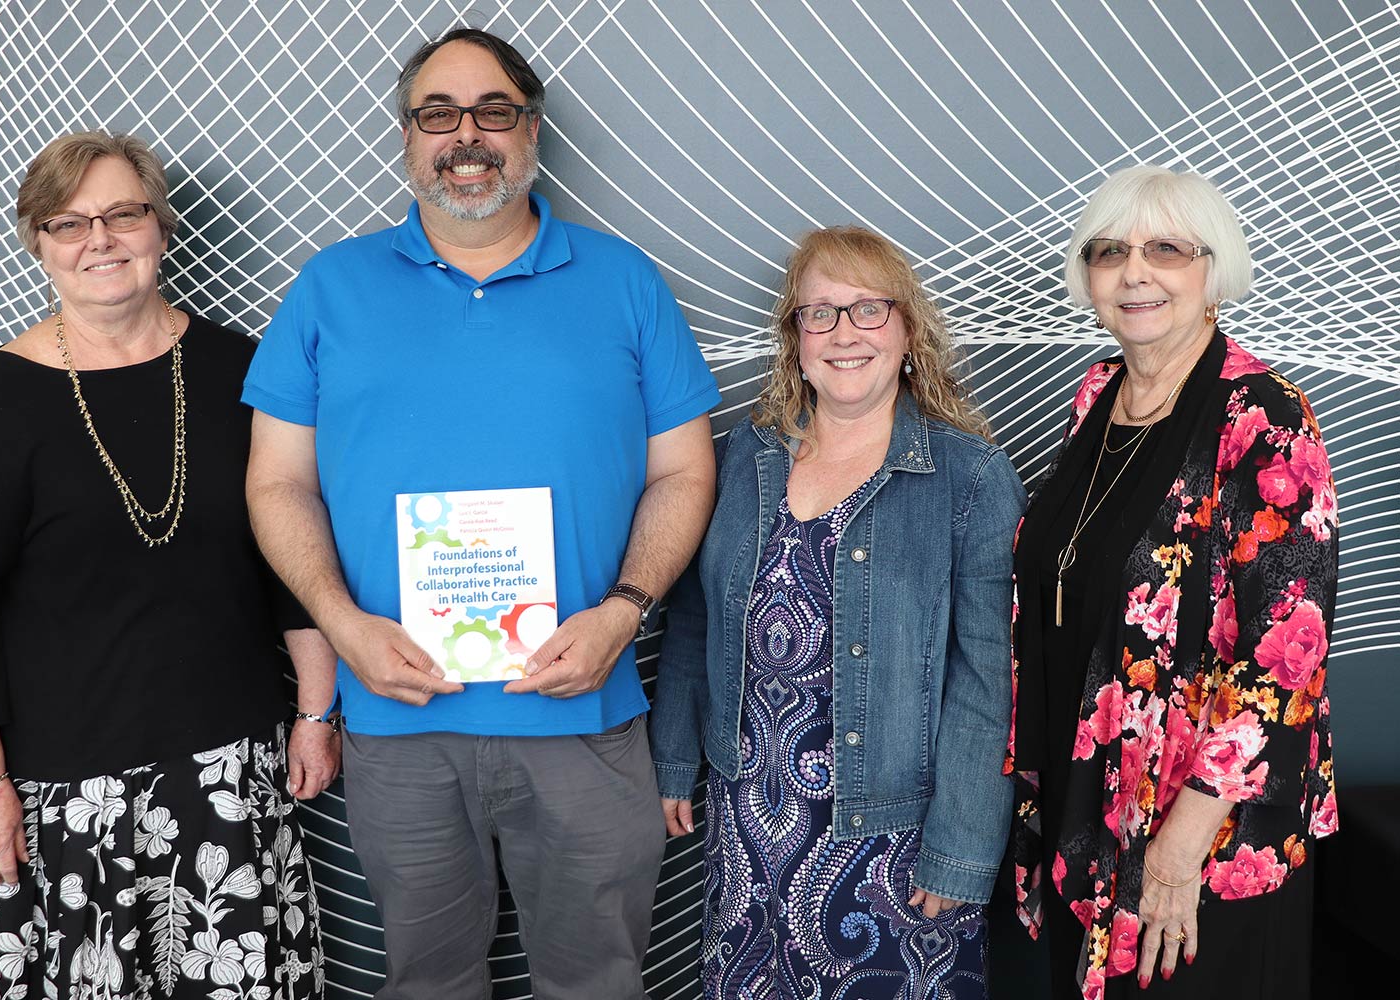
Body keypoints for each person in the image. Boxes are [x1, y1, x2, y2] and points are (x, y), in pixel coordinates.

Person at [241, 27, 721, 1000]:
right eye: (439, 114)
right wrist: (345, 631)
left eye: (493, 111)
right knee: (427, 983)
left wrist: (622, 611)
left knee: (597, 983)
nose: (468, 135)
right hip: (400, 717)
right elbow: (275, 484)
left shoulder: (624, 280)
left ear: (532, 129)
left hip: (584, 713)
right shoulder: (330, 288)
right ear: (407, 136)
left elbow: (685, 472)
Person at [0, 131, 335, 1000]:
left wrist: (319, 711)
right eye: (68, 223)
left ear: (160, 227)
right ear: (39, 243)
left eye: (122, 214)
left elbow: (293, 559)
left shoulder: (240, 373)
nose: (98, 239)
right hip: (64, 803)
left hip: (229, 781)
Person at [650, 226, 1026, 998]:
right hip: (749, 820)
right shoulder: (745, 456)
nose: (843, 333)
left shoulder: (971, 478)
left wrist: (960, 849)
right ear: (794, 338)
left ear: (908, 330)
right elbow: (692, 621)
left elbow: (989, 684)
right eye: (819, 313)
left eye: (868, 310)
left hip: (896, 836)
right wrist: (673, 758)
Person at [1005, 165, 1339, 999]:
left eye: (1166, 250)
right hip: (1089, 801)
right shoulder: (1099, 392)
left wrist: (1179, 848)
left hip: (1201, 833)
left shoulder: (1263, 418)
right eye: (1110, 251)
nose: (1134, 272)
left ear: (1212, 268)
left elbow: (1283, 666)